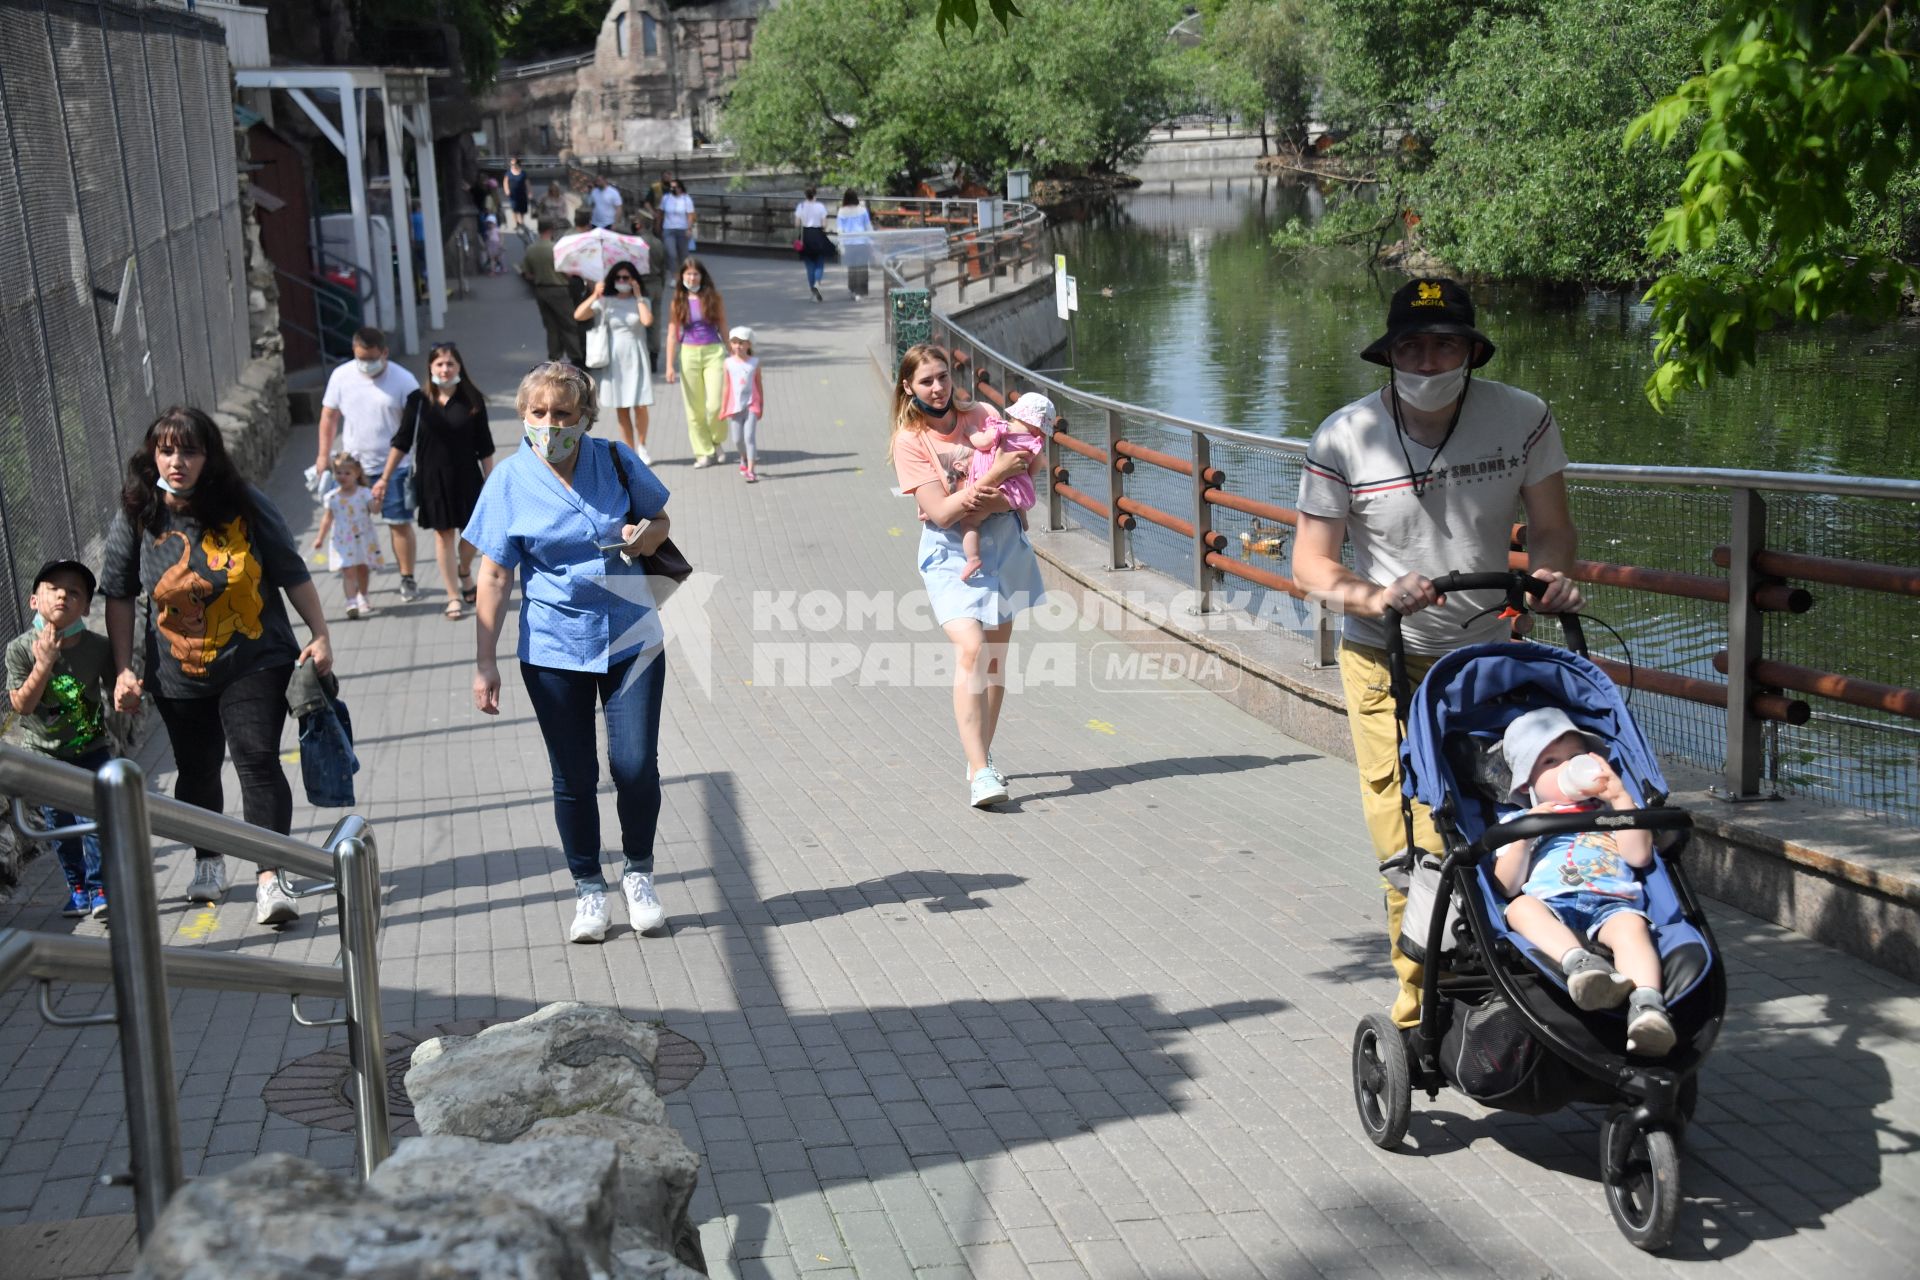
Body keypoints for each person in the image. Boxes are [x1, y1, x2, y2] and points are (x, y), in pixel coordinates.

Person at [1290, 277, 1584, 1029]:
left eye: (1444, 344)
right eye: (1412, 346)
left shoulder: (1523, 418)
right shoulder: (1343, 438)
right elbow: (1311, 565)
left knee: (1495, 817)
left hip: (1485, 657)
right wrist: (1373, 596)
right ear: (1388, 355)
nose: (1428, 360)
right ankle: (1419, 991)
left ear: (1471, 351)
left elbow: (1551, 525)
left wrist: (1549, 575)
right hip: (1384, 656)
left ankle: (1518, 966)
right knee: (1409, 835)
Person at [464, 363, 677, 945]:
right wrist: (486, 660)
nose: (551, 424)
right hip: (555, 646)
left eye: (563, 413)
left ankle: (639, 874)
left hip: (631, 634)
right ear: (524, 416)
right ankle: (588, 887)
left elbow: (658, 519)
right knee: (574, 775)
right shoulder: (508, 480)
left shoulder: (613, 458)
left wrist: (644, 537)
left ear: (584, 417)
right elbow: (494, 575)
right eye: (539, 413)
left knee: (634, 765)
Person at [103, 407, 334, 927]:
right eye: (167, 450)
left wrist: (320, 633)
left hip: (255, 655)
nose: (177, 461)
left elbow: (290, 570)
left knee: (256, 758)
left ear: (209, 456)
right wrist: (123, 669)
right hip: (176, 669)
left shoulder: (243, 504)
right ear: (152, 454)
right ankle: (208, 859)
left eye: (189, 450)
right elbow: (117, 593)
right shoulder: (139, 511)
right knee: (197, 769)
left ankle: (270, 877)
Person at [889, 345, 1046, 808]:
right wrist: (996, 476)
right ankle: (979, 773)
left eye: (943, 376)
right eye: (926, 381)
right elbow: (939, 514)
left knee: (995, 660)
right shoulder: (909, 441)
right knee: (972, 648)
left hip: (1004, 544)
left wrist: (989, 496)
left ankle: (982, 756)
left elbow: (1024, 489)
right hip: (951, 554)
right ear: (908, 388)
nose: (938, 388)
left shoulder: (982, 414)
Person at [1497, 708, 1675, 1056]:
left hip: (1612, 901)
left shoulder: (1612, 811)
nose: (1568, 768)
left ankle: (1648, 1008)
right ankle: (1581, 965)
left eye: (1576, 757)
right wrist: (1525, 833)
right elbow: (1506, 885)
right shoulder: (1521, 820)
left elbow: (1639, 856)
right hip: (1552, 901)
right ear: (1526, 784)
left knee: (1632, 930)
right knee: (1520, 908)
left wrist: (1621, 798)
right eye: (1550, 761)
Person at [5, 560, 115, 919]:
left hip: (93, 749)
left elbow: (117, 689)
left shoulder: (98, 647)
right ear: (34, 600)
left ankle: (100, 888)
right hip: (45, 756)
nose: (63, 596)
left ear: (85, 607)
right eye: (54, 588)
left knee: (99, 818)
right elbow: (22, 706)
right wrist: (45, 662)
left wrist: (127, 691)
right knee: (62, 827)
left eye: (74, 592)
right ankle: (78, 887)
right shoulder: (19, 649)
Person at [379, 343, 497, 620]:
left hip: (468, 477)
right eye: (439, 364)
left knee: (472, 535)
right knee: (443, 535)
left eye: (450, 364)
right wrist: (384, 478)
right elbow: (402, 441)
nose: (445, 370)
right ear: (430, 368)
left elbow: (486, 446)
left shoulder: (472, 399)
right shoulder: (417, 401)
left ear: (459, 367)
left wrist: (492, 483)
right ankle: (453, 595)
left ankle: (465, 571)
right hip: (433, 480)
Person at [315, 327, 424, 601]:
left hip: (394, 466)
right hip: (353, 469)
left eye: (372, 357)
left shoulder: (404, 380)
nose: (365, 363)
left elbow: (415, 427)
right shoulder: (341, 376)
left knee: (397, 522)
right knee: (349, 524)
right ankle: (357, 585)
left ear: (384, 353)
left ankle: (407, 577)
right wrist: (322, 455)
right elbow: (329, 416)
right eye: (360, 357)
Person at [959, 396, 1049, 580]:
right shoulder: (1034, 443)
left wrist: (971, 432)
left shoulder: (999, 429)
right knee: (1019, 491)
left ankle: (973, 558)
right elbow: (1036, 468)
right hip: (1013, 492)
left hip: (992, 486)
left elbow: (982, 443)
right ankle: (1022, 520)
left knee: (970, 522)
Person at [575, 260, 656, 463]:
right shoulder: (606, 301)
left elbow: (647, 321)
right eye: (618, 277)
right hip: (615, 359)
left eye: (626, 277)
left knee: (640, 405)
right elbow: (578, 315)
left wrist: (638, 295)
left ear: (633, 279)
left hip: (636, 355)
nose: (621, 281)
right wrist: (595, 294)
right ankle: (630, 451)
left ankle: (643, 445)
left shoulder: (642, 300)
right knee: (622, 407)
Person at [663, 256, 728, 466]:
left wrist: (735, 353)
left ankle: (716, 440)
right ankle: (703, 451)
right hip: (689, 352)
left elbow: (723, 325)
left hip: (713, 351)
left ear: (702, 276)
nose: (691, 278)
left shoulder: (713, 297)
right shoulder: (678, 301)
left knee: (716, 404)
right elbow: (672, 333)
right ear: (682, 277)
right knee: (694, 408)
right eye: (688, 274)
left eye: (695, 274)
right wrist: (669, 365)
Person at [312, 453, 382, 619]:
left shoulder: (364, 493)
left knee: (363, 569)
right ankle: (351, 601)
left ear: (356, 474)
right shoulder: (333, 497)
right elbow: (327, 519)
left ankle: (363, 596)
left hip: (363, 538)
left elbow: (375, 510)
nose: (342, 476)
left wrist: (378, 500)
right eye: (339, 473)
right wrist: (320, 538)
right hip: (343, 539)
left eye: (347, 473)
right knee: (348, 571)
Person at [520, 218, 586, 366]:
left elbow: (527, 273)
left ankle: (554, 357)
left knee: (551, 326)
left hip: (541, 290)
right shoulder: (556, 249)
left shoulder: (531, 249)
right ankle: (576, 356)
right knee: (568, 324)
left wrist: (540, 275)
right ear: (551, 230)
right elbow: (567, 273)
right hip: (559, 289)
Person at [720, 326, 764, 483]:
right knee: (737, 439)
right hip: (735, 406)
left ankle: (751, 470)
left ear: (749, 345)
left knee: (749, 437)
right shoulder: (728, 363)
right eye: (734, 342)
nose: (738, 346)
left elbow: (759, 385)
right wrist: (723, 407)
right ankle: (743, 457)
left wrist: (761, 406)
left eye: (742, 343)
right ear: (730, 344)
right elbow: (726, 387)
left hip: (751, 405)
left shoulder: (754, 363)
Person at [794, 186, 833, 302]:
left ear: (805, 195)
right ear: (815, 194)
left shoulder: (800, 206)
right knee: (819, 262)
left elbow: (797, 224)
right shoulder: (820, 206)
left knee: (809, 265)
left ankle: (813, 290)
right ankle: (817, 283)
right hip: (817, 234)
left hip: (806, 235)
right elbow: (824, 224)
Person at [836, 189, 873, 300]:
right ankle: (860, 291)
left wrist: (841, 244)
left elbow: (840, 230)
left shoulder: (842, 211)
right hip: (862, 241)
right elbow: (868, 227)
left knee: (851, 267)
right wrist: (872, 241)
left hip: (848, 242)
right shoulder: (862, 210)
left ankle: (852, 289)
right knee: (862, 267)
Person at [660, 180, 695, 276]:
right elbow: (661, 213)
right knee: (672, 254)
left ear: (680, 188)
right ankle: (674, 276)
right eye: (671, 187)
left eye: (674, 187)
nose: (672, 189)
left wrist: (689, 228)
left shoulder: (686, 199)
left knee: (683, 255)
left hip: (682, 229)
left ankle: (684, 273)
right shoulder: (666, 198)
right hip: (668, 229)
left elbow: (690, 215)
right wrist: (658, 226)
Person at [506, 157, 531, 235]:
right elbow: (505, 182)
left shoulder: (523, 173)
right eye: (511, 164)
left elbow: (527, 183)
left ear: (518, 164)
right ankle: (517, 223)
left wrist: (529, 192)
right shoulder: (508, 173)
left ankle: (521, 222)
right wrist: (507, 190)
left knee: (522, 209)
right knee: (514, 209)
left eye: (514, 164)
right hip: (513, 194)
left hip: (522, 193)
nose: (512, 165)